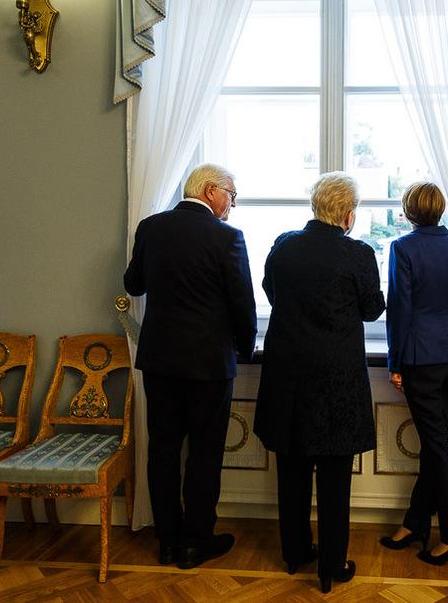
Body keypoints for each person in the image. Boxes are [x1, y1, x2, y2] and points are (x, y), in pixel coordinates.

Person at [254, 172, 385, 593]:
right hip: (337, 384)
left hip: (287, 376)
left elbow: (271, 291)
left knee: (290, 474)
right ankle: (330, 565)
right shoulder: (359, 254)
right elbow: (371, 310)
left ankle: (295, 554)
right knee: (334, 479)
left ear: (315, 206)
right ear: (348, 215)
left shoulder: (284, 245)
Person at [123, 163, 257, 570]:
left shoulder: (150, 227)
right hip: (209, 365)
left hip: (160, 360)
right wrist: (246, 351)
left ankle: (166, 541)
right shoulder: (227, 237)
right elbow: (243, 305)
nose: (233, 205)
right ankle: (195, 542)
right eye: (232, 196)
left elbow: (134, 285)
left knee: (162, 450)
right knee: (203, 453)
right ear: (211, 190)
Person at [381, 181, 448, 567]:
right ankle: (416, 522)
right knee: (435, 442)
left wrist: (394, 363)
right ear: (439, 209)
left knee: (436, 446)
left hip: (420, 360)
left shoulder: (402, 247)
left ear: (408, 211)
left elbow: (399, 308)